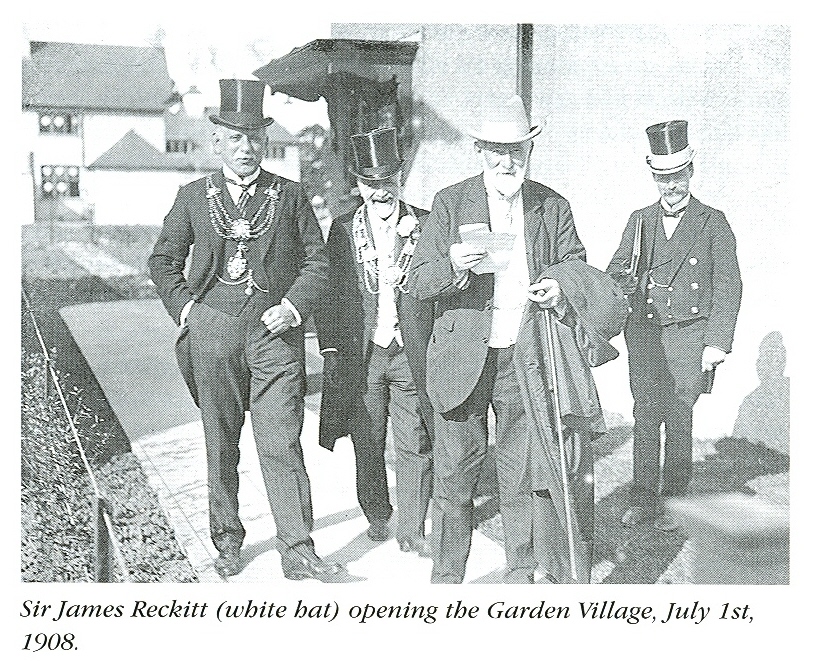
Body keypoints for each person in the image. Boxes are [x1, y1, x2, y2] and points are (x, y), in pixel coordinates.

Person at [409, 96, 617, 583]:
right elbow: (418, 281)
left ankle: (520, 581)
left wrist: (559, 284)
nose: (508, 162)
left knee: (520, 477)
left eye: (517, 152)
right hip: (462, 359)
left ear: (528, 151)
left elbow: (576, 264)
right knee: (455, 478)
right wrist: (454, 266)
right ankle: (445, 584)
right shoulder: (450, 202)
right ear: (480, 151)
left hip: (525, 359)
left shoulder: (551, 205)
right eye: (497, 151)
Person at [149, 79, 343, 581]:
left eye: (254, 137)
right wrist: (187, 311)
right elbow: (164, 261)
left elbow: (317, 262)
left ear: (264, 140)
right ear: (218, 141)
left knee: (280, 442)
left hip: (274, 336)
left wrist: (294, 307)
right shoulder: (193, 197)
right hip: (213, 337)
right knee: (221, 443)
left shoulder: (291, 195)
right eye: (234, 138)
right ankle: (228, 542)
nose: (245, 148)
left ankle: (298, 549)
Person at [606, 120, 742, 532]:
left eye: (677, 177)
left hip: (690, 337)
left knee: (680, 417)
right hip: (645, 334)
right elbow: (616, 270)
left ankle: (675, 503)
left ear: (691, 172)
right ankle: (645, 500)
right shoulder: (640, 220)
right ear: (654, 178)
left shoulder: (712, 221)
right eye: (662, 178)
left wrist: (717, 342)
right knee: (646, 417)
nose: (670, 186)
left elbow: (728, 284)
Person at [315, 127, 434, 556]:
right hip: (364, 353)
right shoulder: (343, 229)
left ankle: (414, 526)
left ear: (400, 178)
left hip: (409, 350)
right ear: (359, 184)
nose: (380, 192)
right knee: (368, 438)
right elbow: (329, 295)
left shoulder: (426, 223)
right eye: (370, 183)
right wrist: (332, 349)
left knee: (414, 438)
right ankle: (378, 514)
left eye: (387, 181)